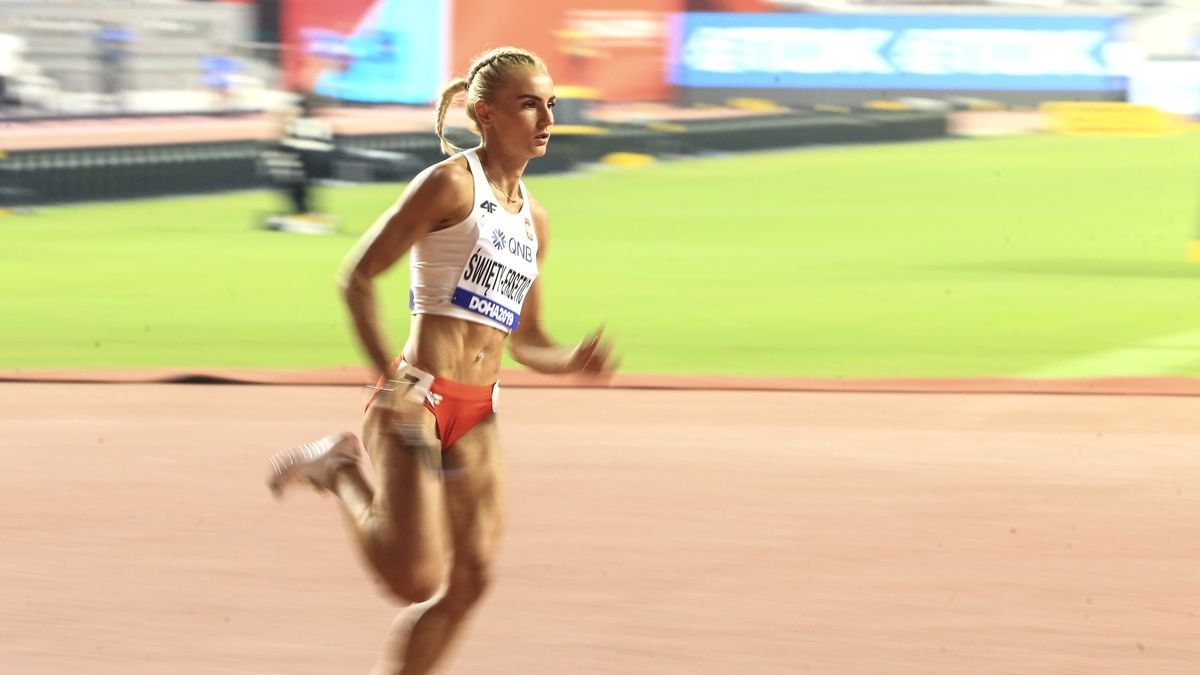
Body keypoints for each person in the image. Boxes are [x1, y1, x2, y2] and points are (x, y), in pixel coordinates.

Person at [266, 46, 617, 675]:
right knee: (413, 579)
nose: (546, 119)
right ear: (484, 114)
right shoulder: (451, 183)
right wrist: (394, 379)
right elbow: (357, 277)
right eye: (528, 104)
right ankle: (341, 467)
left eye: (551, 105)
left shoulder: (535, 219)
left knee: (473, 581)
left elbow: (527, 336)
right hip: (419, 400)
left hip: (477, 412)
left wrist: (568, 361)